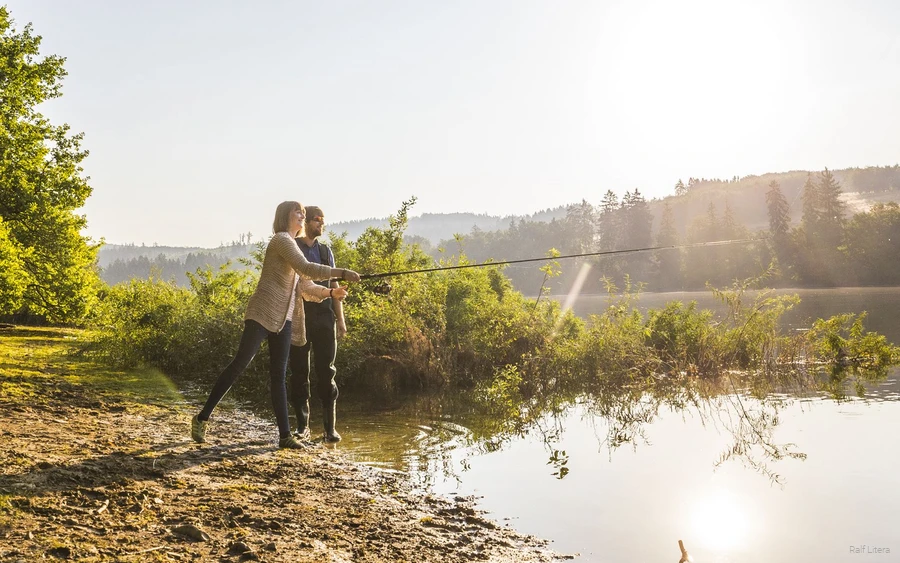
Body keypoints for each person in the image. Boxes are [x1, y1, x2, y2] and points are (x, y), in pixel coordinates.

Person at [191, 201, 361, 449]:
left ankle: (285, 436)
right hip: (262, 313)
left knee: (279, 376)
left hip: (284, 319)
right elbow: (307, 268)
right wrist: (342, 272)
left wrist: (330, 294)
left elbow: (304, 285)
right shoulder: (281, 240)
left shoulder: (293, 245)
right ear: (285, 216)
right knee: (240, 364)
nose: (303, 215)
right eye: (298, 212)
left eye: (303, 212)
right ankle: (202, 417)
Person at [289, 206, 346, 443]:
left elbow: (334, 287)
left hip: (325, 317)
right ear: (307, 223)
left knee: (327, 371)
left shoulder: (326, 251)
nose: (321, 224)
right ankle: (303, 427)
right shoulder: (293, 247)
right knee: (299, 371)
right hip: (300, 316)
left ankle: (329, 429)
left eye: (323, 220)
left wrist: (340, 320)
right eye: (317, 220)